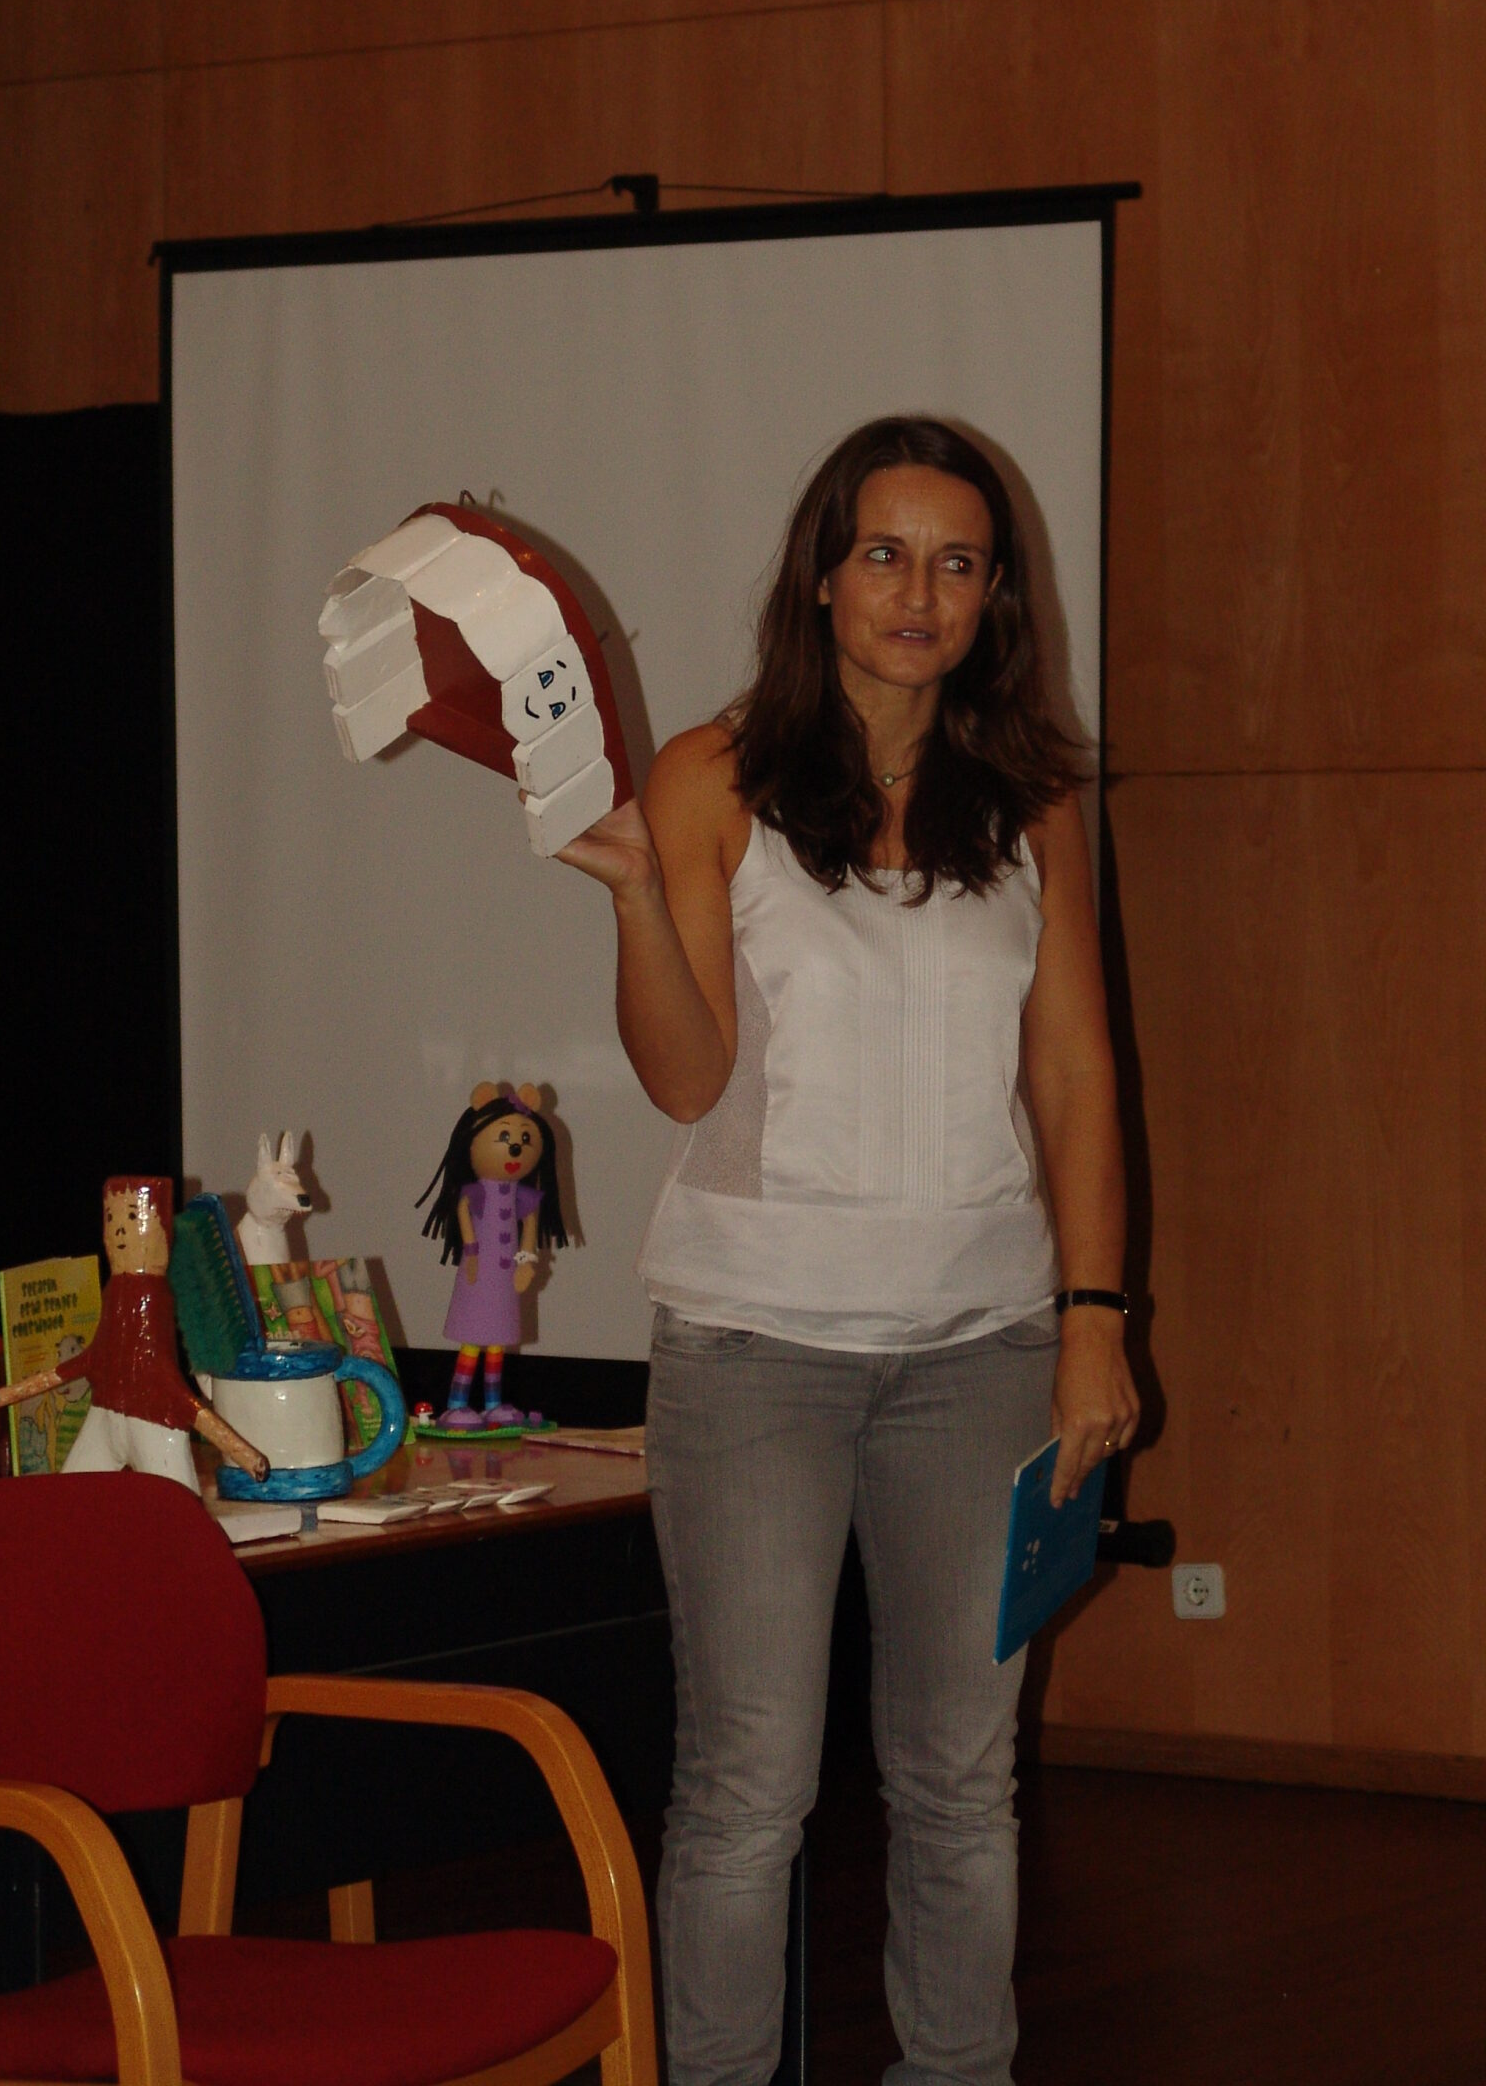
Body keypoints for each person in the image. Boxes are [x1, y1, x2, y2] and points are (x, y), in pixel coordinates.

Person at [559, 415, 1138, 2086]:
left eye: (958, 563)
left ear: (994, 597)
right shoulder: (712, 775)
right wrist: (633, 904)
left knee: (961, 1781)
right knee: (750, 1784)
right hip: (758, 1352)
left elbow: (1077, 1071)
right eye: (885, 553)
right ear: (822, 578)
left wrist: (1093, 1318)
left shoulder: (1033, 798)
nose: (918, 593)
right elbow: (687, 1079)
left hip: (985, 1348)